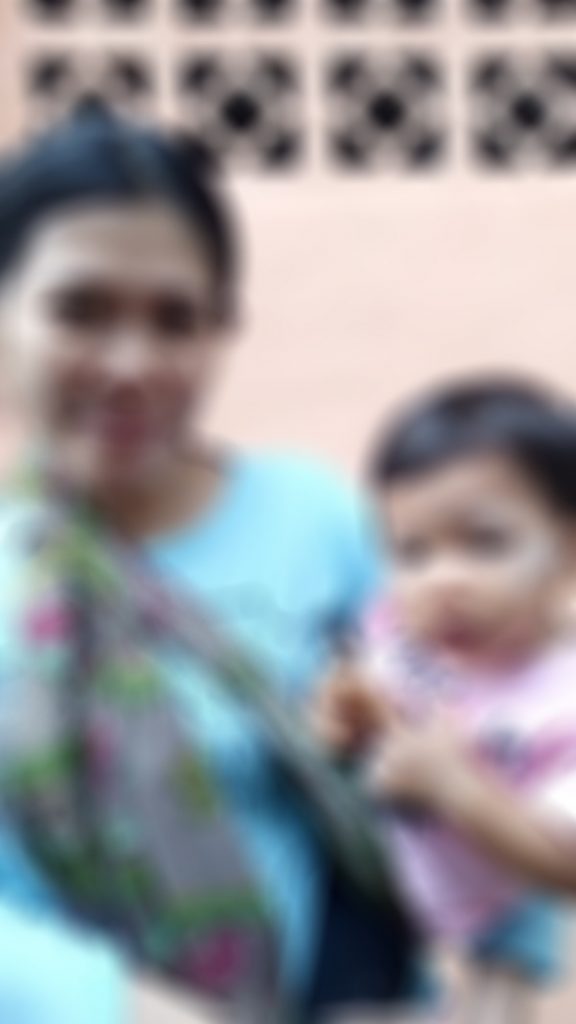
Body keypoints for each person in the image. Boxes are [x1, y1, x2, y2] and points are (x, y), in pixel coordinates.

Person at [0, 99, 421, 1023]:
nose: (131, 363)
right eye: (80, 310)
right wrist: (122, 1006)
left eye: (176, 321)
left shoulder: (318, 523)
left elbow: (446, 774)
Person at [313, 378, 576, 1023]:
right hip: (395, 919)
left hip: (507, 942)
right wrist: (347, 716)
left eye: (486, 543)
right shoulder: (404, 634)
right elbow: (363, 701)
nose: (443, 581)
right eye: (413, 553)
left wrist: (455, 785)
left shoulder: (561, 700)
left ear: (569, 549)